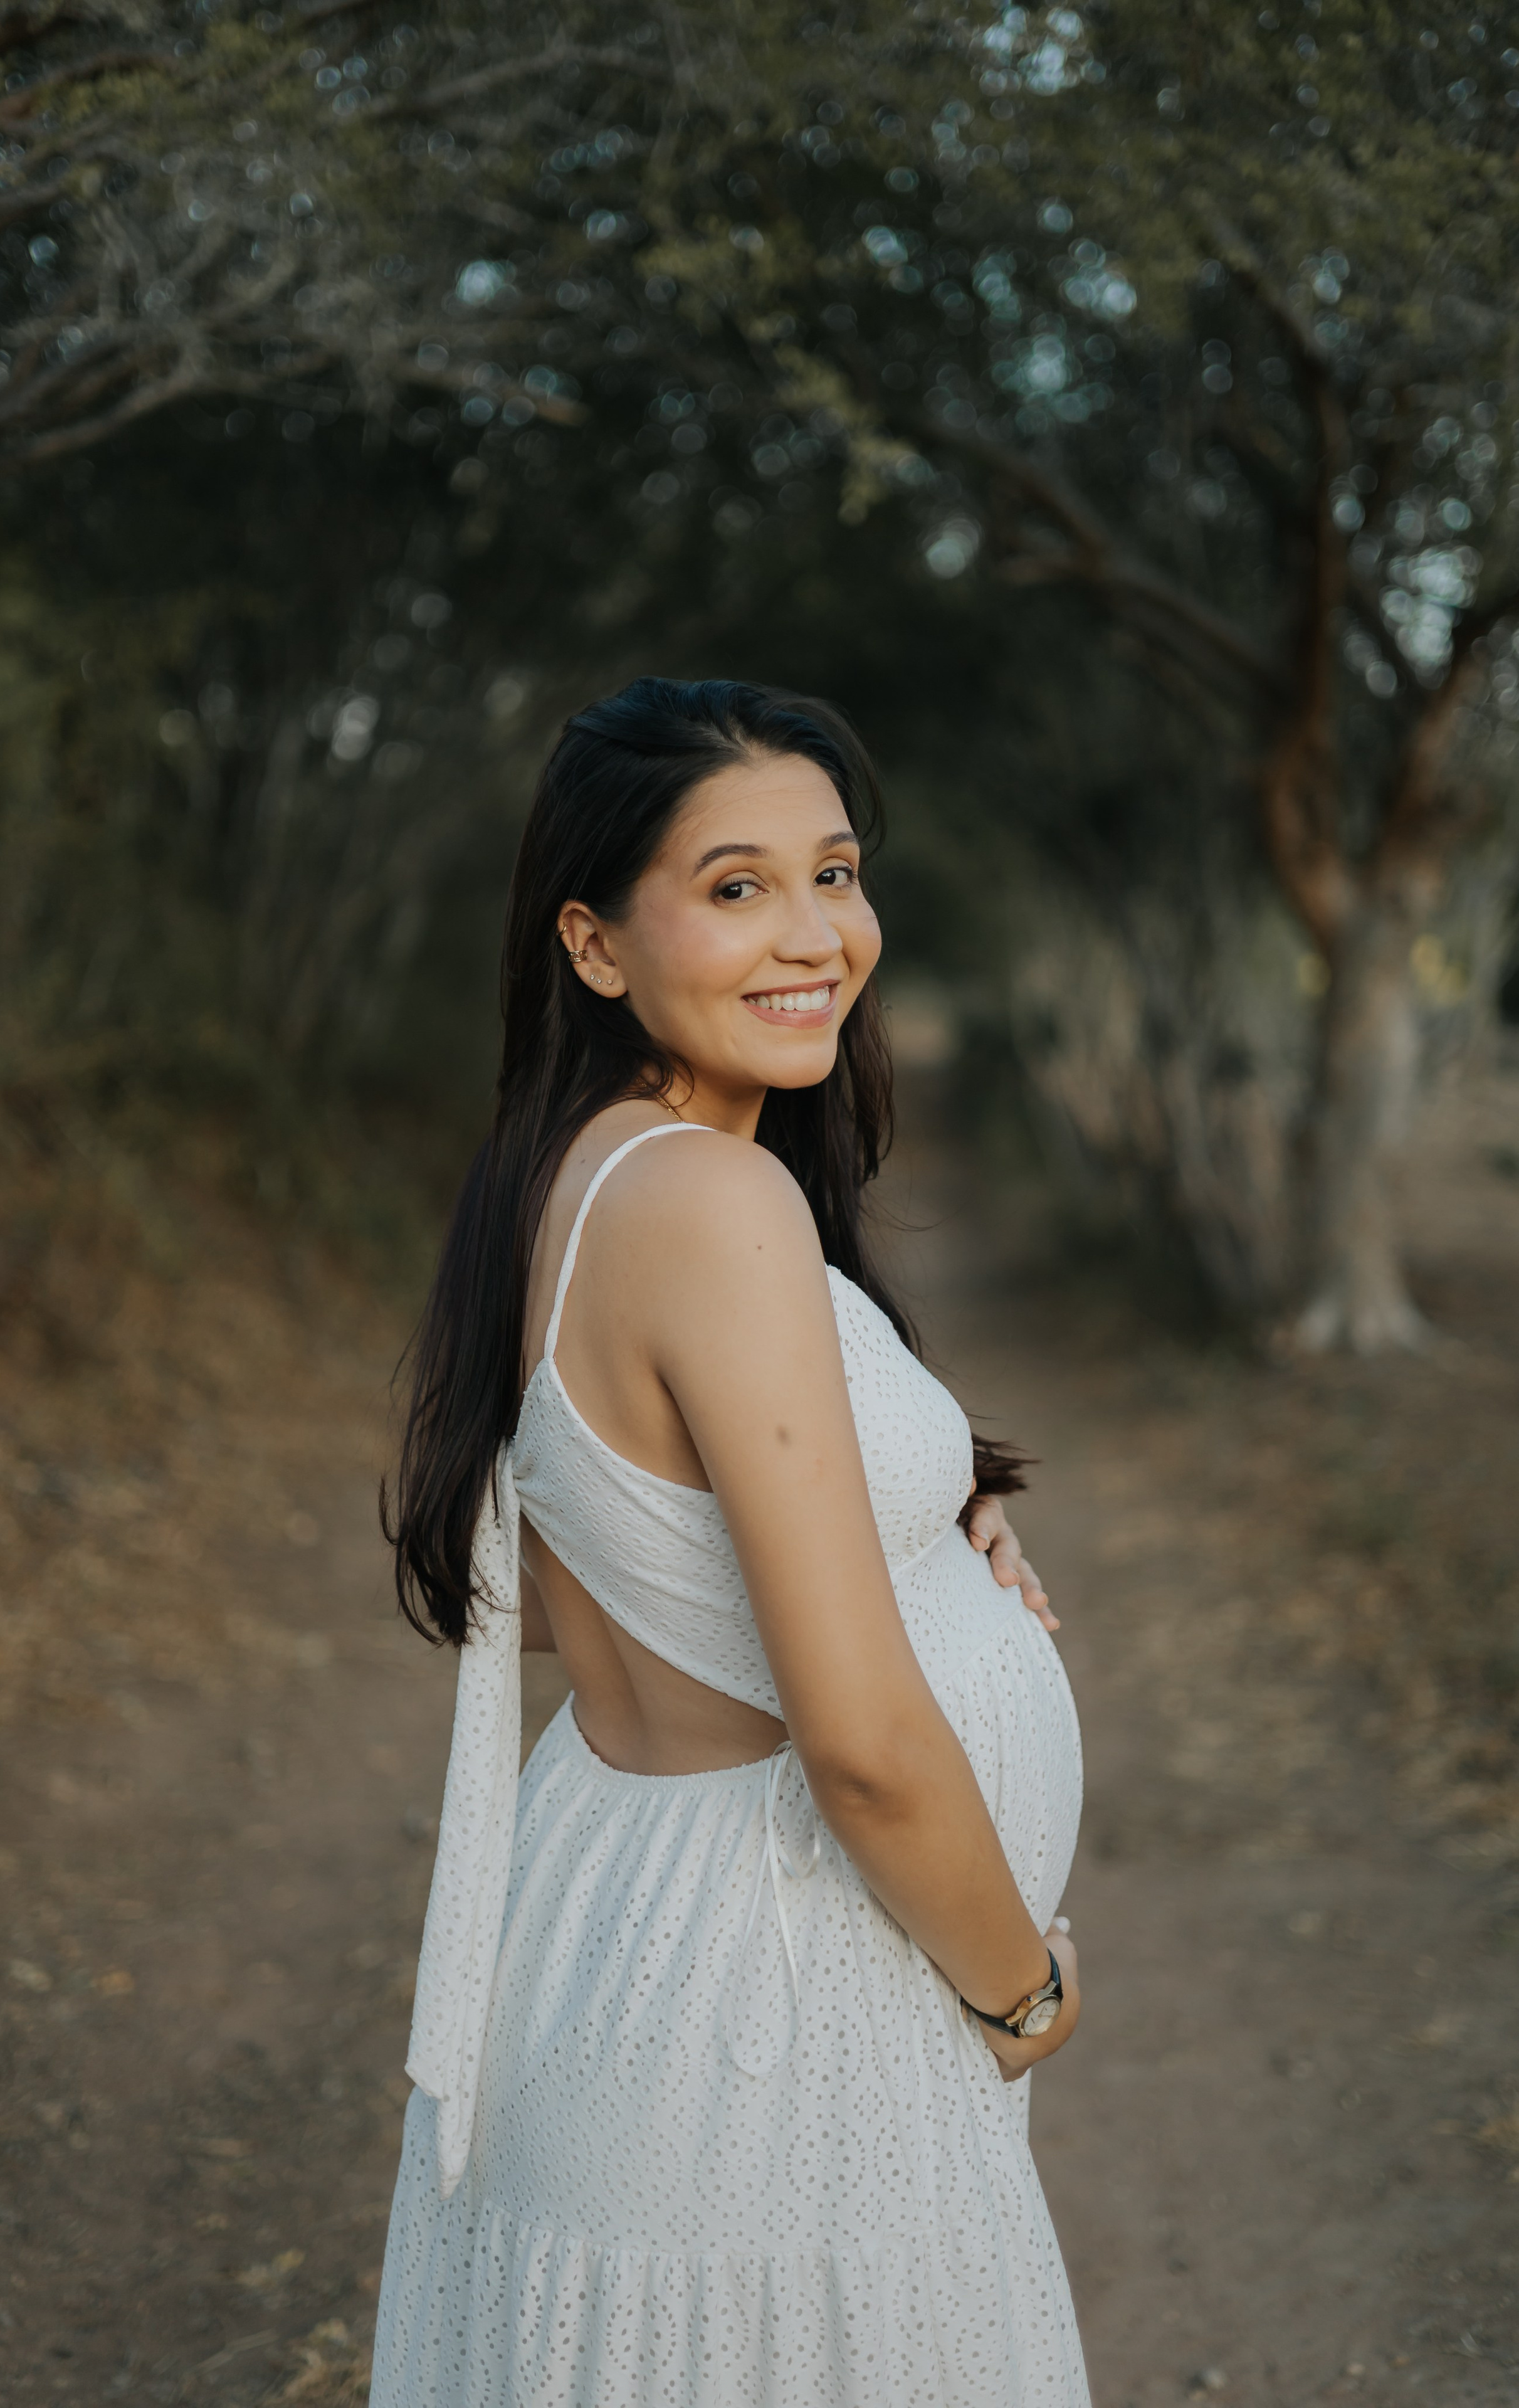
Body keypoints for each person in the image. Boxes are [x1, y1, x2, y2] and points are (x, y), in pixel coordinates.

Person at [373, 679, 1088, 2407]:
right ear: (595, 944)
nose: (815, 934)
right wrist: (1020, 1993)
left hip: (641, 1925)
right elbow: (860, 1747)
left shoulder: (579, 1170)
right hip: (766, 1991)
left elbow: (568, 1570)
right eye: (738, 885)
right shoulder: (710, 1198)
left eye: (834, 874)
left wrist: (917, 1528)